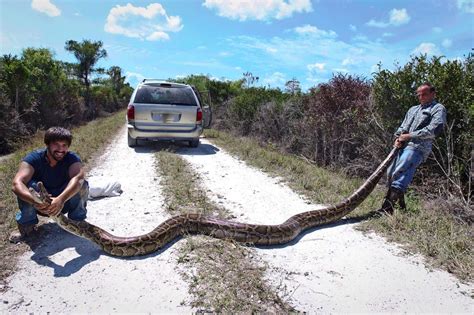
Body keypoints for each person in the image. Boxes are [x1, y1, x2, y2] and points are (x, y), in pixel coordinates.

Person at [9, 127, 89, 242]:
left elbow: (79, 178)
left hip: (63, 202)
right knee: (26, 186)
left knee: (82, 184)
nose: (61, 149)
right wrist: (34, 200)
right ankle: (27, 226)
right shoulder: (33, 158)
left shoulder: (72, 158)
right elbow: (17, 184)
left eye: (65, 145)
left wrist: (61, 199)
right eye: (56, 144)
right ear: (47, 144)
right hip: (38, 204)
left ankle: (77, 222)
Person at [380, 82, 447, 214]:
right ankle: (401, 207)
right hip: (401, 145)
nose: (421, 97)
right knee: (391, 173)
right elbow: (403, 126)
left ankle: (387, 209)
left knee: (400, 170)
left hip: (418, 147)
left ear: (433, 94)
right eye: (419, 94)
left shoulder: (438, 108)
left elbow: (434, 129)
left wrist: (409, 136)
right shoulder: (413, 109)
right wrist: (398, 137)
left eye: (424, 94)